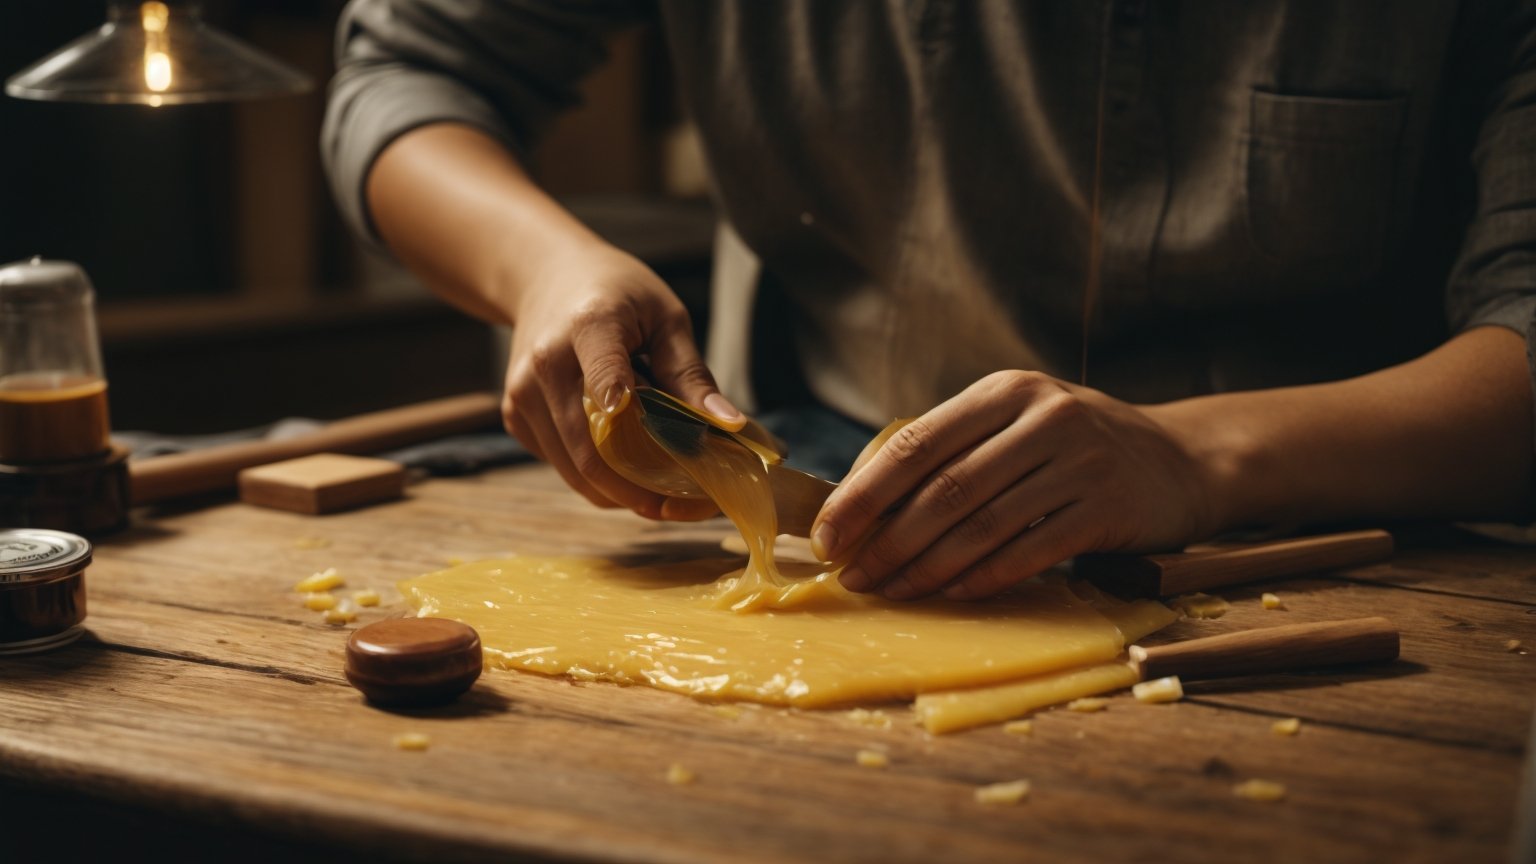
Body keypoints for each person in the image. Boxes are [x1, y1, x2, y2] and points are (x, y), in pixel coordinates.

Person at [323, 1, 1534, 601]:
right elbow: (409, 72)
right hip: (838, 484)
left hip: (1360, 534)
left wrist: (1188, 455)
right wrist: (543, 268)